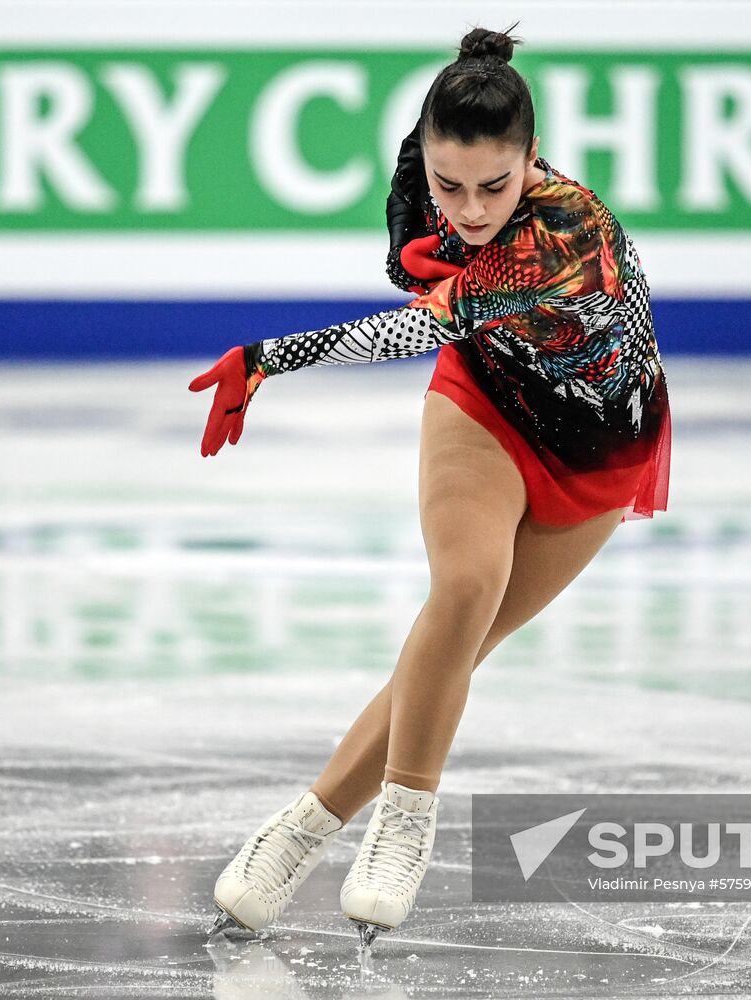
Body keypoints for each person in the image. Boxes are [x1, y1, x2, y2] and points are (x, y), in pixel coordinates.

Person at [191, 23, 671, 951]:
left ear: (531, 159)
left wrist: (268, 359)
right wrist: (421, 243)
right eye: (449, 184)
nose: (467, 206)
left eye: (494, 185)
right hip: (486, 402)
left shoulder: (565, 230)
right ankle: (405, 819)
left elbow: (415, 326)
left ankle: (303, 826)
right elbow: (420, 284)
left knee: (457, 643)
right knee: (460, 591)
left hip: (600, 449)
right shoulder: (421, 174)